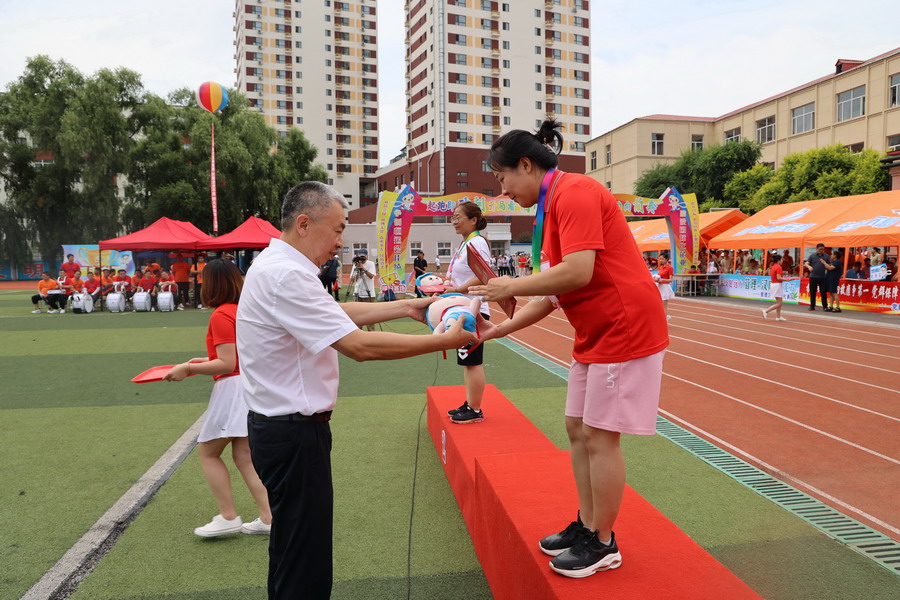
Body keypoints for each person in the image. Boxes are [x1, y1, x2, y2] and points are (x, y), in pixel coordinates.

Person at [236, 181, 478, 600]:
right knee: (305, 564)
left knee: (292, 550)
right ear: (305, 223)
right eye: (338, 230)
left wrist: (406, 306)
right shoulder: (286, 274)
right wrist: (443, 340)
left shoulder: (280, 265)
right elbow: (359, 345)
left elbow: (335, 312)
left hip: (283, 430)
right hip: (292, 435)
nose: (341, 242)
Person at [470, 119, 668, 579]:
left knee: (600, 435)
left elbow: (577, 272)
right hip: (596, 330)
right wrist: (494, 332)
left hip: (623, 326)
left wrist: (509, 284)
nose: (502, 191)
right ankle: (587, 525)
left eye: (502, 179)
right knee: (576, 426)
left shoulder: (575, 193)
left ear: (525, 165)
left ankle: (604, 542)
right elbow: (552, 294)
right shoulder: (552, 206)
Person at [163, 259, 272, 538]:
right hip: (250, 386)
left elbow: (226, 363)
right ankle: (269, 516)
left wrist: (187, 368)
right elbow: (234, 357)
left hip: (232, 390)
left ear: (211, 284)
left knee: (209, 452)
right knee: (245, 455)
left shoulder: (222, 314)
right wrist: (203, 362)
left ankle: (228, 516)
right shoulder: (244, 311)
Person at [443, 201, 493, 424]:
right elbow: (461, 273)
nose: (454, 222)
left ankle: (475, 409)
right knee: (466, 359)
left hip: (474, 310)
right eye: (452, 218)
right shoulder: (465, 243)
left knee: (472, 360)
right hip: (462, 307)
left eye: (458, 217)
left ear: (473, 220)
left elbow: (484, 274)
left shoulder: (478, 242)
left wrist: (458, 288)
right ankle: (470, 403)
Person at [349, 254, 378, 330]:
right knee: (357, 317)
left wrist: (364, 269)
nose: (362, 260)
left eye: (363, 258)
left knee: (370, 317)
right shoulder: (355, 264)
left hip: (369, 294)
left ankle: (372, 336)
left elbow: (371, 276)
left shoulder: (370, 263)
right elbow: (352, 280)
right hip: (357, 293)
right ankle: (358, 334)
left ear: (367, 257)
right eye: (360, 259)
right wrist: (359, 272)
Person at [804, 243, 829, 310]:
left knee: (823, 292)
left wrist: (824, 263)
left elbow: (828, 266)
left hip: (822, 277)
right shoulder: (812, 256)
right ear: (817, 249)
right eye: (820, 249)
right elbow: (806, 263)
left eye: (823, 249)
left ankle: (825, 306)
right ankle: (812, 306)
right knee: (812, 292)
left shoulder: (826, 256)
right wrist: (809, 266)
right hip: (813, 277)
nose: (821, 250)